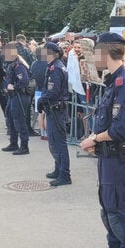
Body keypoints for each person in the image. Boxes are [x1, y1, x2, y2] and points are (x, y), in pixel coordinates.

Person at [78, 33, 125, 248]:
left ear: (105, 52)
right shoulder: (113, 82)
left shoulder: (123, 84)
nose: (94, 58)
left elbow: (122, 129)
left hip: (116, 156)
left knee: (120, 210)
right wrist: (96, 138)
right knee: (108, 207)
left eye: (96, 52)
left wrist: (95, 139)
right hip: (108, 156)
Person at [41, 42, 71, 186]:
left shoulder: (56, 68)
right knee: (54, 141)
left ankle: (65, 174)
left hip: (56, 109)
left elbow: (54, 91)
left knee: (59, 143)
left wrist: (43, 99)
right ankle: (58, 169)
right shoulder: (54, 66)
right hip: (53, 108)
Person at [0, 42, 32, 155]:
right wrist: (6, 86)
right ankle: (13, 143)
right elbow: (7, 79)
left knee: (19, 120)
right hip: (13, 96)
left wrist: (14, 87)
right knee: (10, 117)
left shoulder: (19, 65)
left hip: (20, 95)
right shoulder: (11, 64)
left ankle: (24, 146)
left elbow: (24, 81)